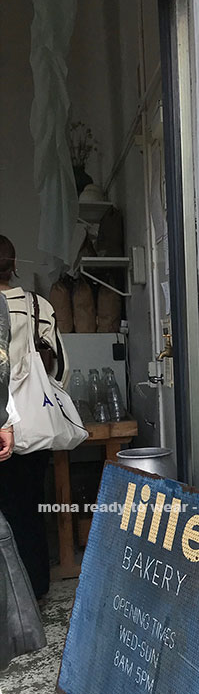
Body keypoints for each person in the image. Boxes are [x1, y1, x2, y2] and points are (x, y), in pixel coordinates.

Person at [0, 235, 69, 599]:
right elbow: (61, 369)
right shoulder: (37, 305)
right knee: (28, 509)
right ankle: (35, 589)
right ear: (14, 265)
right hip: (33, 423)